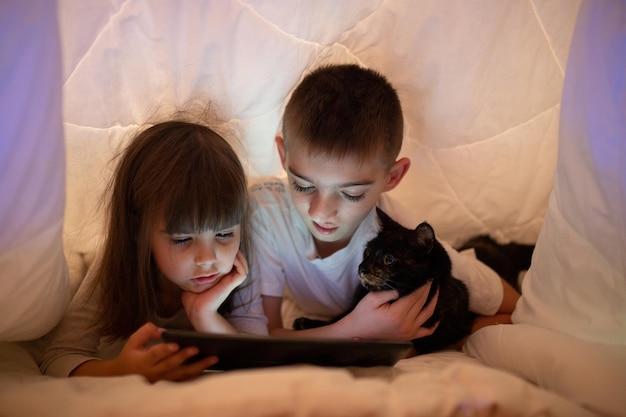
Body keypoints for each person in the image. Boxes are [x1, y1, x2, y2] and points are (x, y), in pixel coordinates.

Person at [249, 64, 520, 342]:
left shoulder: (396, 232)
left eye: (351, 194)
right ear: (283, 156)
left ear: (392, 177)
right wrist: (351, 329)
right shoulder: (266, 212)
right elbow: (264, 338)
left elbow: (508, 304)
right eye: (302, 185)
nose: (320, 213)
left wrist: (486, 324)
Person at [40, 120, 268, 382]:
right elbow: (59, 357)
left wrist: (203, 315)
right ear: (138, 229)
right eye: (182, 239)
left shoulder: (241, 263)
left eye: (225, 234)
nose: (208, 259)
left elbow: (257, 358)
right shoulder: (117, 265)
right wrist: (122, 370)